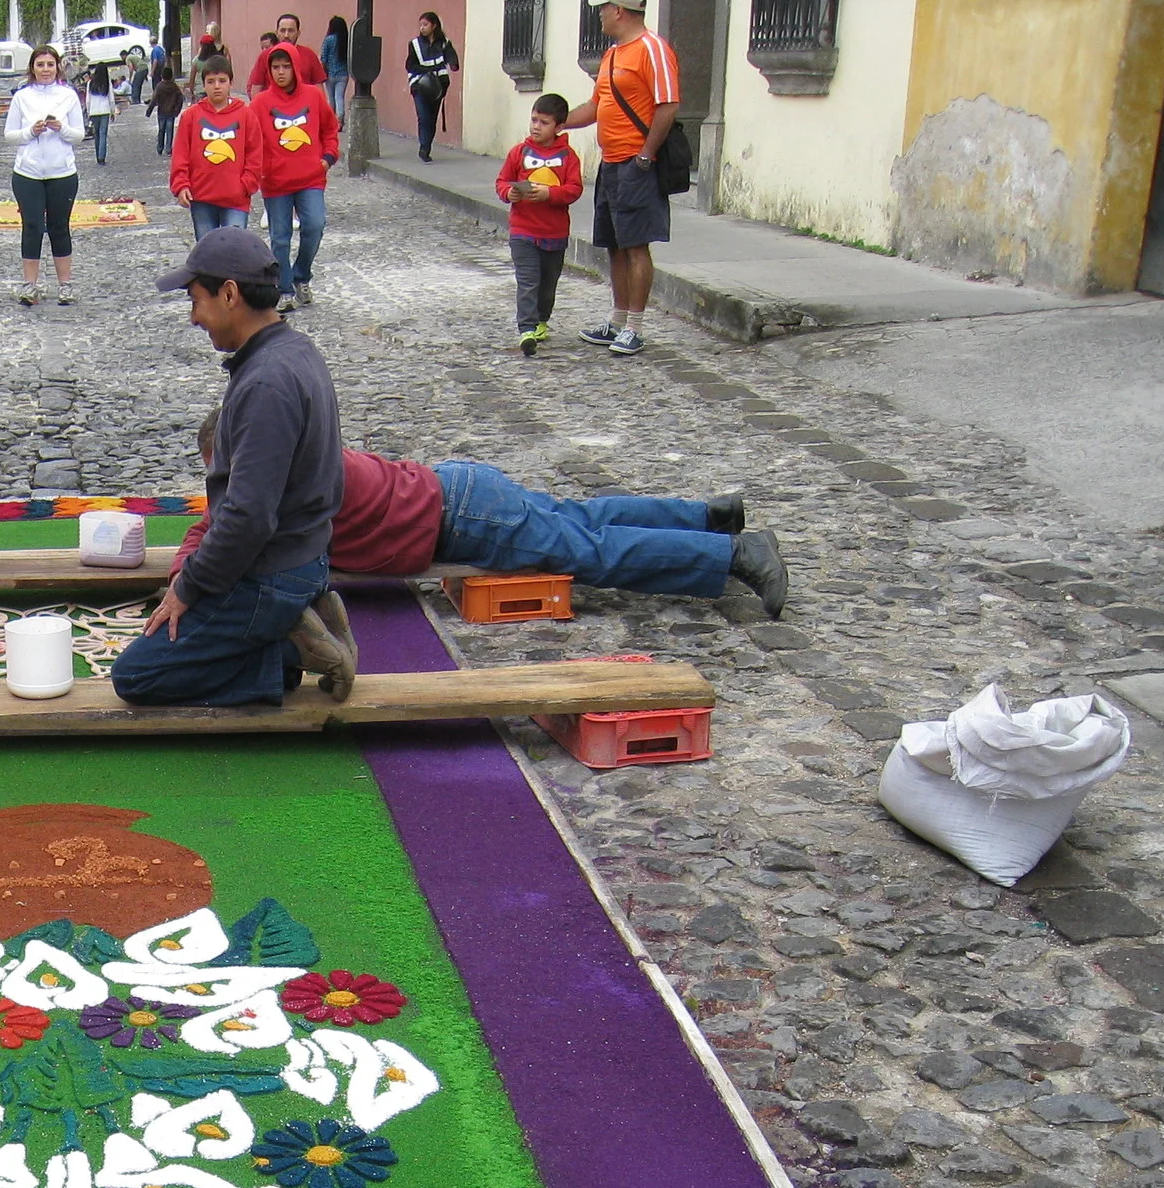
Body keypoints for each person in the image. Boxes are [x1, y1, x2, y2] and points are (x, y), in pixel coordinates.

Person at [171, 414, 789, 621]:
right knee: (583, 520)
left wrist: (184, 583)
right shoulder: (291, 460)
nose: (224, 486)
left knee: (594, 553)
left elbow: (225, 534)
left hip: (465, 519)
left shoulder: (284, 487)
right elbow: (217, 524)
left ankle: (735, 555)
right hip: (463, 491)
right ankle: (708, 516)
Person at [114, 229, 341, 709]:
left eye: (196, 301)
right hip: (303, 559)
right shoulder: (295, 350)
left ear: (231, 294)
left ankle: (286, 651)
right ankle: (286, 629)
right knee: (174, 647)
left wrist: (191, 587)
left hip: (273, 573)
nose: (194, 318)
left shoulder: (267, 382)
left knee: (137, 677)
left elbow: (249, 516)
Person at [566, 0, 678, 357]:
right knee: (614, 243)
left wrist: (645, 154)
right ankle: (616, 320)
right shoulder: (611, 55)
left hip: (636, 163)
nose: (598, 14)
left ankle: (635, 326)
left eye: (603, 8)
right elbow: (595, 107)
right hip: (611, 163)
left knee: (636, 245)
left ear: (620, 11)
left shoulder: (653, 49)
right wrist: (558, 122)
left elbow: (669, 105)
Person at [251, 48, 339, 310]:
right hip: (276, 182)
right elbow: (252, 141)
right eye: (276, 67)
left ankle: (302, 276)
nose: (280, 72)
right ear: (269, 70)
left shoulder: (313, 95)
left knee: (315, 225)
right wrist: (260, 170)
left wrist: (328, 156)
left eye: (286, 67)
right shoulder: (260, 104)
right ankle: (284, 287)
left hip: (310, 177)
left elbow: (330, 128)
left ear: (296, 68)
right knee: (280, 237)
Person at [497, 94, 581, 355]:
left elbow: (574, 189)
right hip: (523, 230)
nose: (536, 126)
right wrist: (508, 193)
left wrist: (550, 194)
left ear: (558, 127)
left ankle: (542, 320)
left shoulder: (568, 156)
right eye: (534, 120)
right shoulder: (518, 152)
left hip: (554, 233)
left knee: (547, 284)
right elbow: (502, 181)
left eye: (543, 122)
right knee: (528, 281)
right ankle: (526, 330)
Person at [4, 46, 85, 306]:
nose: (46, 69)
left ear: (57, 67)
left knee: (59, 228)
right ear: (32, 68)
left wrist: (61, 128)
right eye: (40, 65)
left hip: (62, 172)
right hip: (28, 173)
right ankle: (30, 285)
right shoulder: (22, 97)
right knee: (32, 227)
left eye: (50, 64)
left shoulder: (68, 96)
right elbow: (10, 135)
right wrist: (30, 131)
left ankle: (65, 285)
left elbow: (79, 135)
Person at [169, 56, 264, 240]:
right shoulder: (191, 117)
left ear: (230, 83)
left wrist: (246, 184)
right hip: (202, 198)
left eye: (222, 81)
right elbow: (181, 154)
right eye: (211, 81)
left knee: (234, 250)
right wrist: (181, 185)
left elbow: (255, 154)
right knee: (207, 253)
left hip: (236, 199)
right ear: (203, 85)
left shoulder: (246, 115)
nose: (217, 86)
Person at [404, 13, 460, 161]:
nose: (422, 28)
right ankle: (423, 148)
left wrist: (453, 63)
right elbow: (410, 65)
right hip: (420, 85)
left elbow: (451, 56)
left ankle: (427, 147)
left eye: (425, 24)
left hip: (438, 87)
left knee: (432, 118)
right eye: (420, 25)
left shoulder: (444, 43)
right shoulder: (414, 44)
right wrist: (426, 72)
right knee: (423, 117)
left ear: (434, 25)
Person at [247, 13, 326, 94]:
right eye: (283, 30)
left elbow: (318, 87)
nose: (286, 35)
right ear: (277, 32)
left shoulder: (309, 55)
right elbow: (256, 88)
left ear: (298, 33)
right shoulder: (265, 56)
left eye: (291, 31)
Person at [85, 55, 118, 165]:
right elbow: (111, 99)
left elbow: (88, 100)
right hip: (105, 110)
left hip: (94, 111)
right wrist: (113, 111)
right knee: (103, 133)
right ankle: (102, 156)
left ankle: (98, 155)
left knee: (97, 135)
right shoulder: (107, 82)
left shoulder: (90, 83)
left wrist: (89, 111)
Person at [151, 64, 188, 158]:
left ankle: (160, 147)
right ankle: (168, 149)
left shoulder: (159, 86)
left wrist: (149, 110)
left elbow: (154, 99)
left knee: (161, 130)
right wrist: (177, 110)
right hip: (171, 112)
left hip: (161, 112)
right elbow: (180, 99)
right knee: (169, 131)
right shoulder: (174, 87)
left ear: (162, 76)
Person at [320, 15, 350, 119]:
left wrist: (323, 71)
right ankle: (340, 120)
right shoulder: (347, 40)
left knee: (331, 98)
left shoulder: (329, 39)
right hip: (344, 74)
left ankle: (331, 120)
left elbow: (323, 57)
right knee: (339, 97)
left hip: (330, 74)